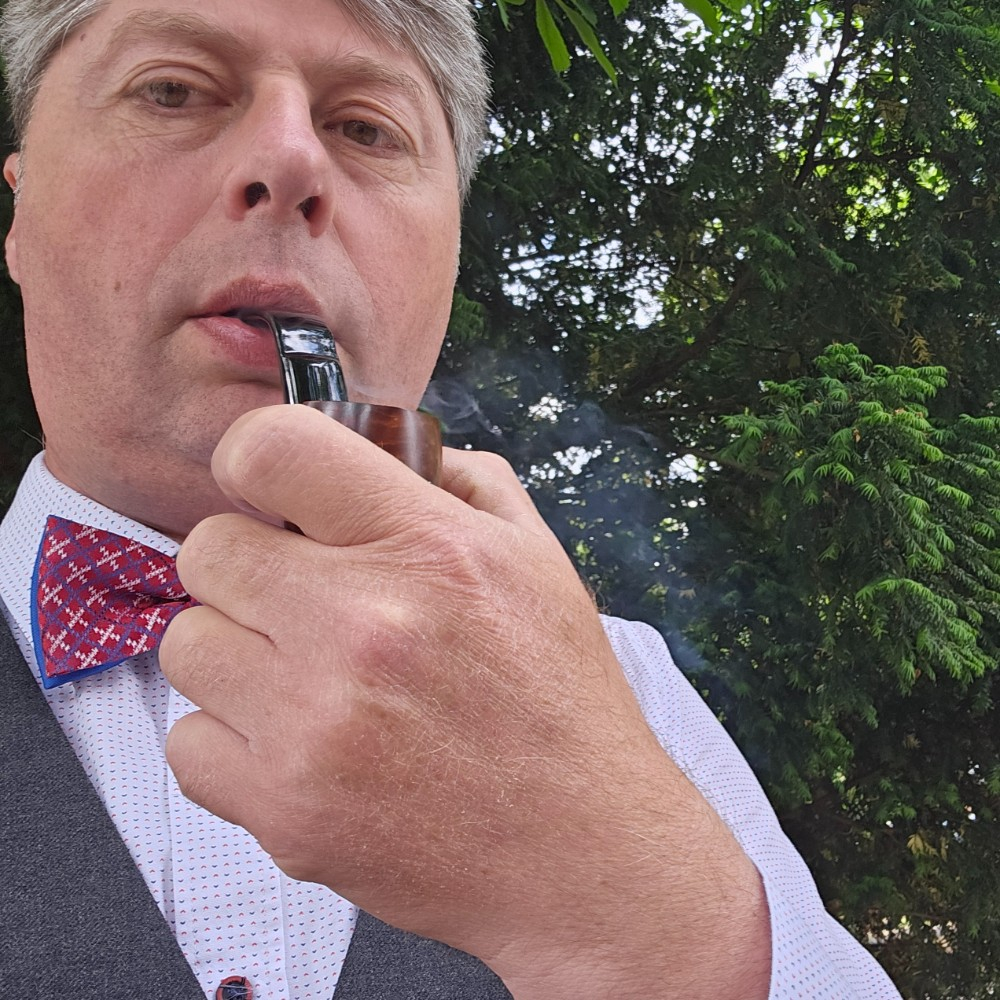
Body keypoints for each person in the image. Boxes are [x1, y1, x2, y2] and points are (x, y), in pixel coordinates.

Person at [0, 0, 902, 997]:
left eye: (365, 128)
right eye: (173, 90)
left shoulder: (627, 696)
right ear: (20, 214)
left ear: (450, 256)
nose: (291, 159)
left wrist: (640, 908)